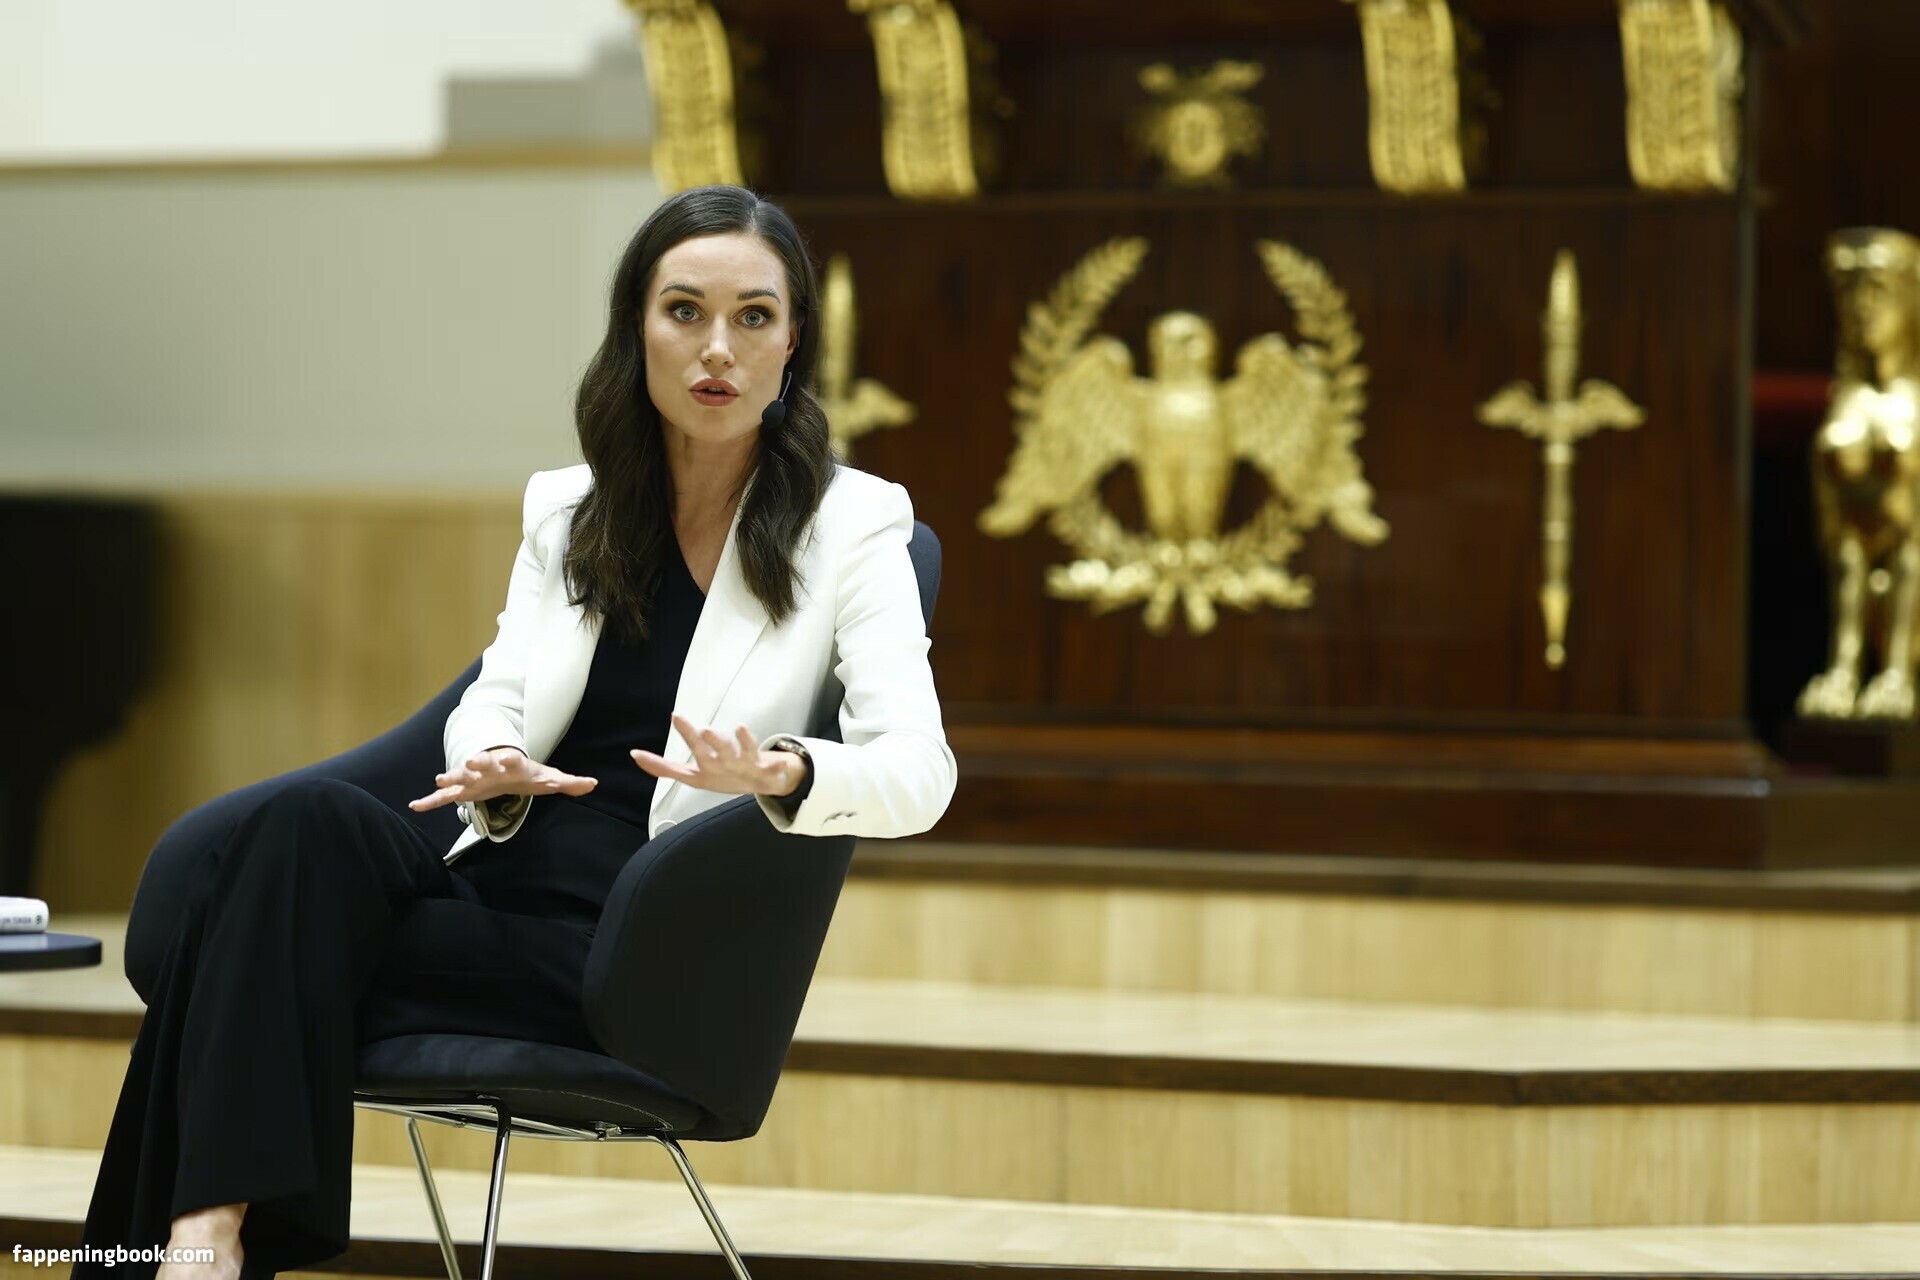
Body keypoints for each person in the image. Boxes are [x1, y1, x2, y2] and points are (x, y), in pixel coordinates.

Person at [79, 184, 958, 1279]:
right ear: (635, 329)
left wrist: (785, 769)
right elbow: (492, 695)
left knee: (238, 949)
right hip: (491, 894)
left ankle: (182, 1246)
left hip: (638, 943)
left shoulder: (856, 523)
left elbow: (919, 773)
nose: (716, 348)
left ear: (793, 344)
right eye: (684, 311)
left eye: (754, 317)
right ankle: (204, 1236)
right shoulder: (570, 508)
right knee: (301, 826)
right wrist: (489, 762)